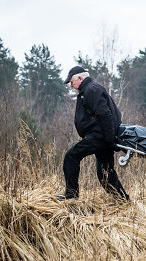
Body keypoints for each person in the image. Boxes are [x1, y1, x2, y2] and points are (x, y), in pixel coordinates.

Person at [56, 66, 129, 201]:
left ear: (80, 78)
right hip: (102, 137)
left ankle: (71, 195)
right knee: (105, 174)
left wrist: (110, 140)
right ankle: (124, 201)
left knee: (71, 156)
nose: (71, 85)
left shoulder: (92, 89)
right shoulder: (88, 90)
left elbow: (105, 115)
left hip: (99, 137)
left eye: (72, 82)